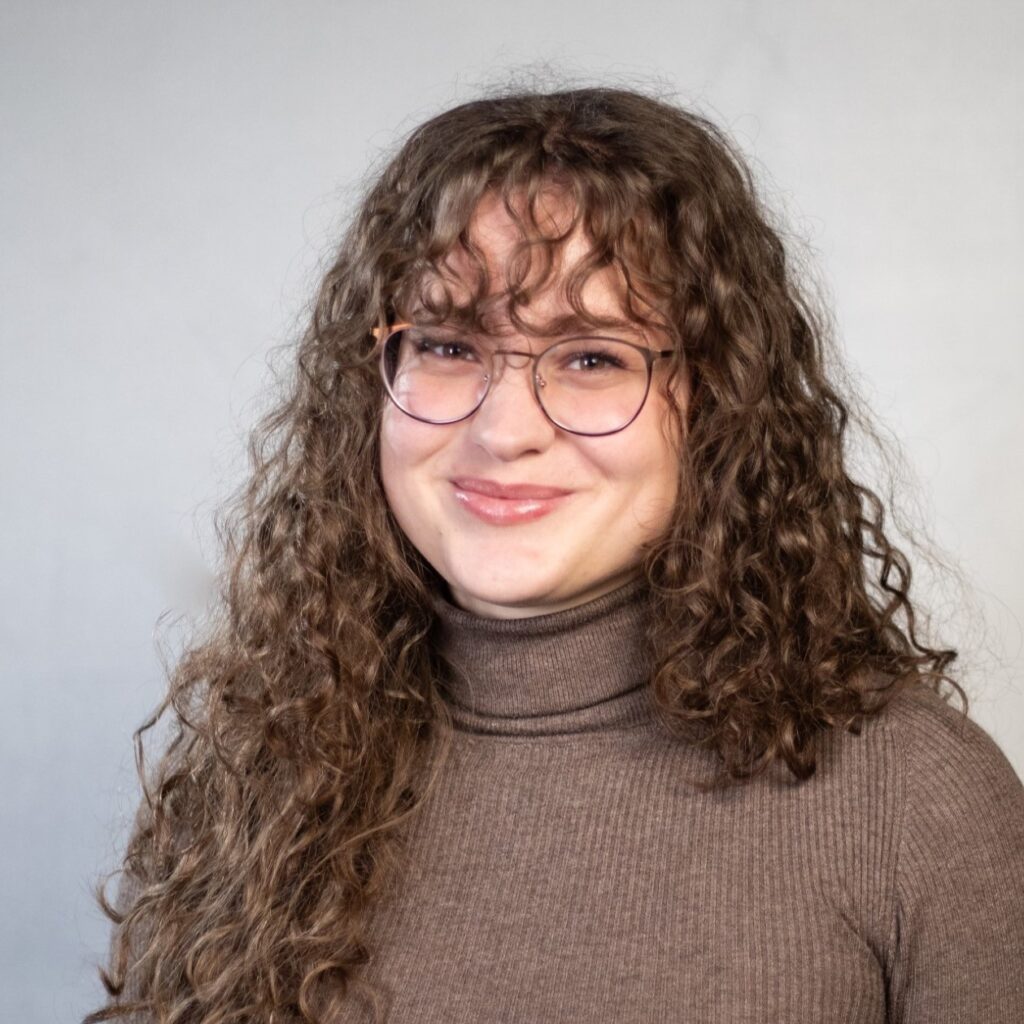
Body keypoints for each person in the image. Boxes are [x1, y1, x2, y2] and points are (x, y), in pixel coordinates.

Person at [85, 85, 1024, 1024]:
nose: (504, 431)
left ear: (717, 401)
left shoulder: (916, 804)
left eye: (591, 358)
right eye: (448, 345)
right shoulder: (262, 765)